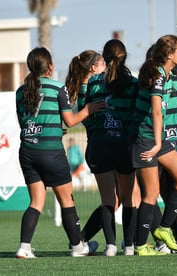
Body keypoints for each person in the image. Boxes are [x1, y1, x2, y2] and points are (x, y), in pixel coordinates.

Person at [15, 47, 103, 258]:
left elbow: (25, 122)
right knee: (67, 201)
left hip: (27, 151)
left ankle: (24, 247)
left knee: (36, 202)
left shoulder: (20, 91)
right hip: (51, 152)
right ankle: (77, 247)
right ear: (50, 66)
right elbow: (71, 121)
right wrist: (89, 109)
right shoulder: (57, 88)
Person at [66, 42, 139, 257]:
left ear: (105, 60)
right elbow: (137, 113)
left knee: (108, 199)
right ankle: (129, 246)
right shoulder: (133, 84)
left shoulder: (94, 82)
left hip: (100, 144)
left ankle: (110, 246)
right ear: (124, 57)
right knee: (128, 199)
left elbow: (85, 116)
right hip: (124, 145)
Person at [130, 34, 177, 256]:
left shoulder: (167, 75)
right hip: (146, 140)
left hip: (157, 140)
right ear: (169, 54)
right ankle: (141, 246)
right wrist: (159, 143)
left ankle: (163, 229)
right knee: (151, 194)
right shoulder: (158, 76)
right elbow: (157, 111)